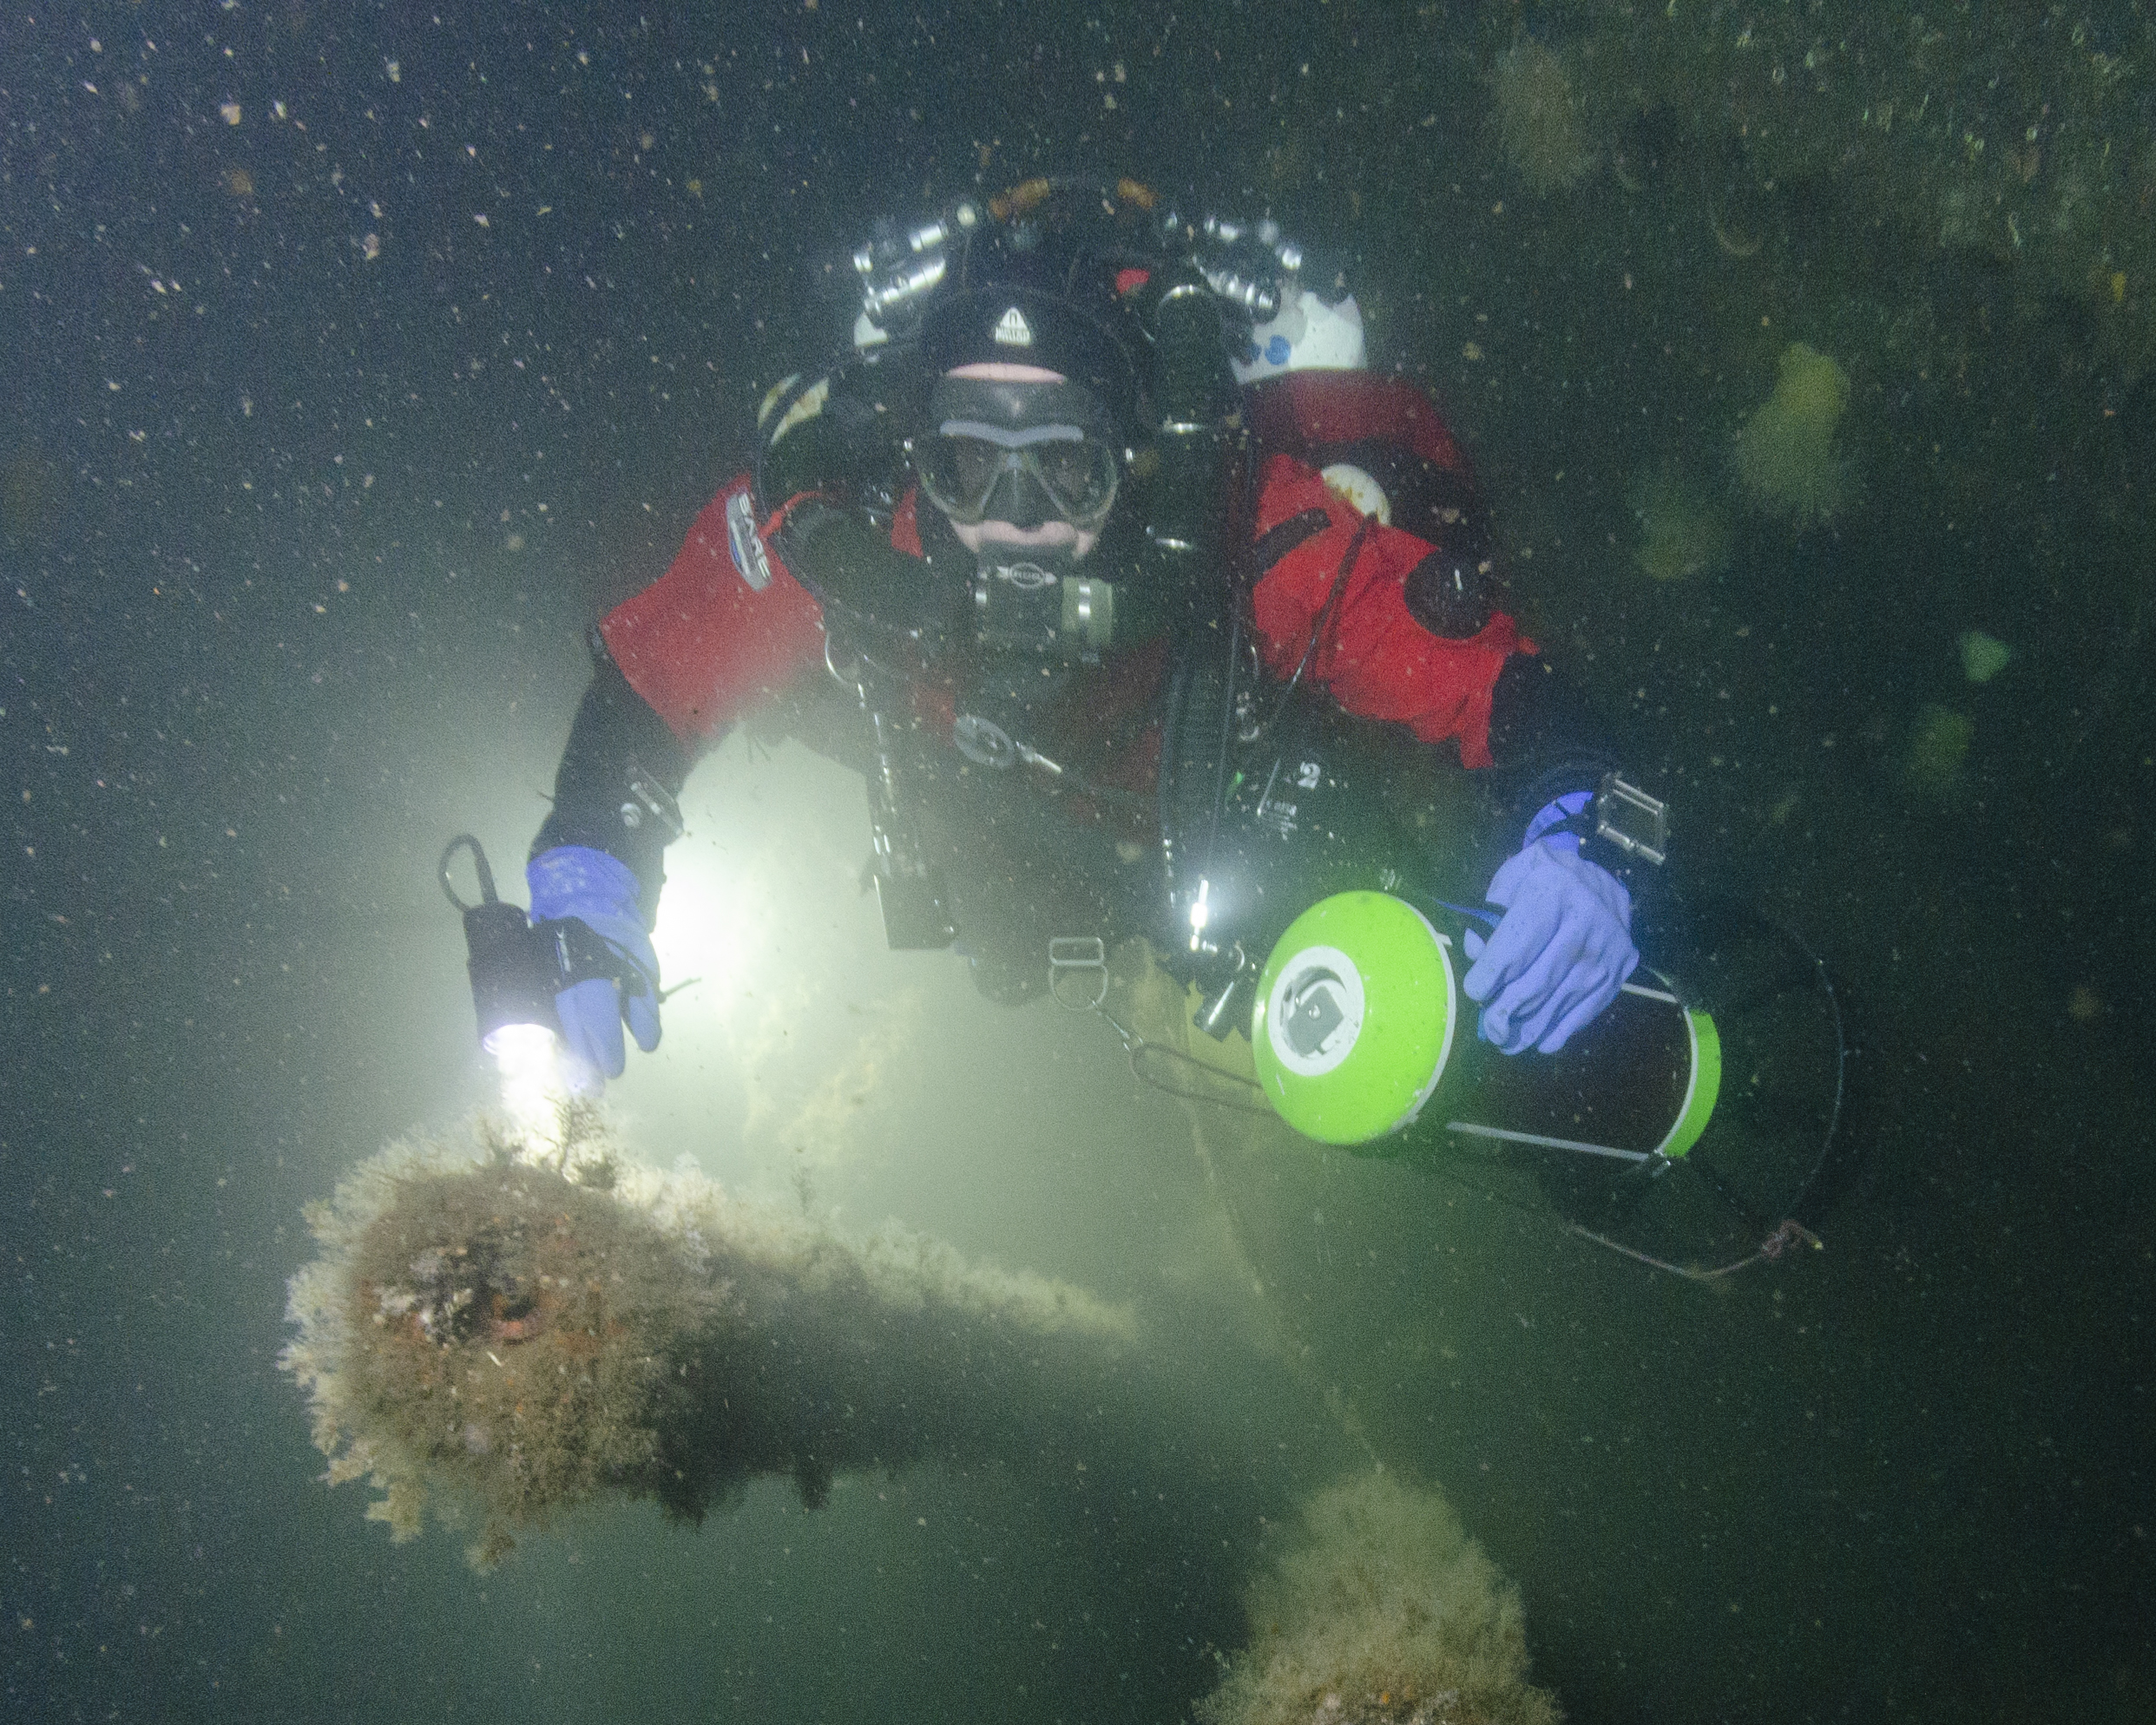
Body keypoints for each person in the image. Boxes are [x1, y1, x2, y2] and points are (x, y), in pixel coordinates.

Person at [487, 176, 1672, 1101]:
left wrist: (1583, 839)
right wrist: (589, 871)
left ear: (1138, 461)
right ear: (915, 456)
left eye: (1065, 467)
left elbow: (1499, 690)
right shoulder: (849, 535)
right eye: (965, 466)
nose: (1012, 519)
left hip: (1210, 829)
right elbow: (655, 680)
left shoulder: (1246, 526)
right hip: (1000, 834)